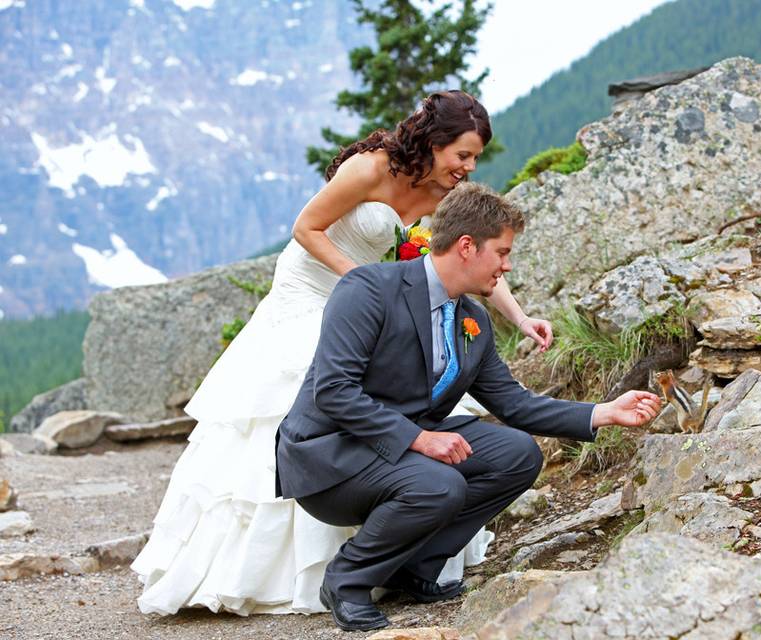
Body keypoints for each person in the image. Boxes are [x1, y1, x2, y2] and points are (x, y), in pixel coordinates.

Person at [132, 91, 555, 616]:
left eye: (474, 159)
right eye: (463, 155)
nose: (468, 168)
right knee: (311, 398)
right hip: (314, 288)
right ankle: (287, 571)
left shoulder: (443, 195)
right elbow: (305, 229)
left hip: (370, 298)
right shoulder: (367, 169)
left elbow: (465, 257)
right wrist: (367, 284)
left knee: (403, 402)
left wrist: (519, 317)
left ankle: (406, 551)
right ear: (434, 141)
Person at [276, 182, 662, 632]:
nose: (507, 265)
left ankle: (416, 567)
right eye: (501, 252)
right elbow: (335, 391)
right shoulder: (369, 289)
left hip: (399, 450)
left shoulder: (473, 320)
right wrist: (421, 439)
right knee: (439, 484)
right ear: (466, 246)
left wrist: (603, 412)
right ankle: (347, 580)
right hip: (331, 456)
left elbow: (513, 403)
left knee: (518, 454)